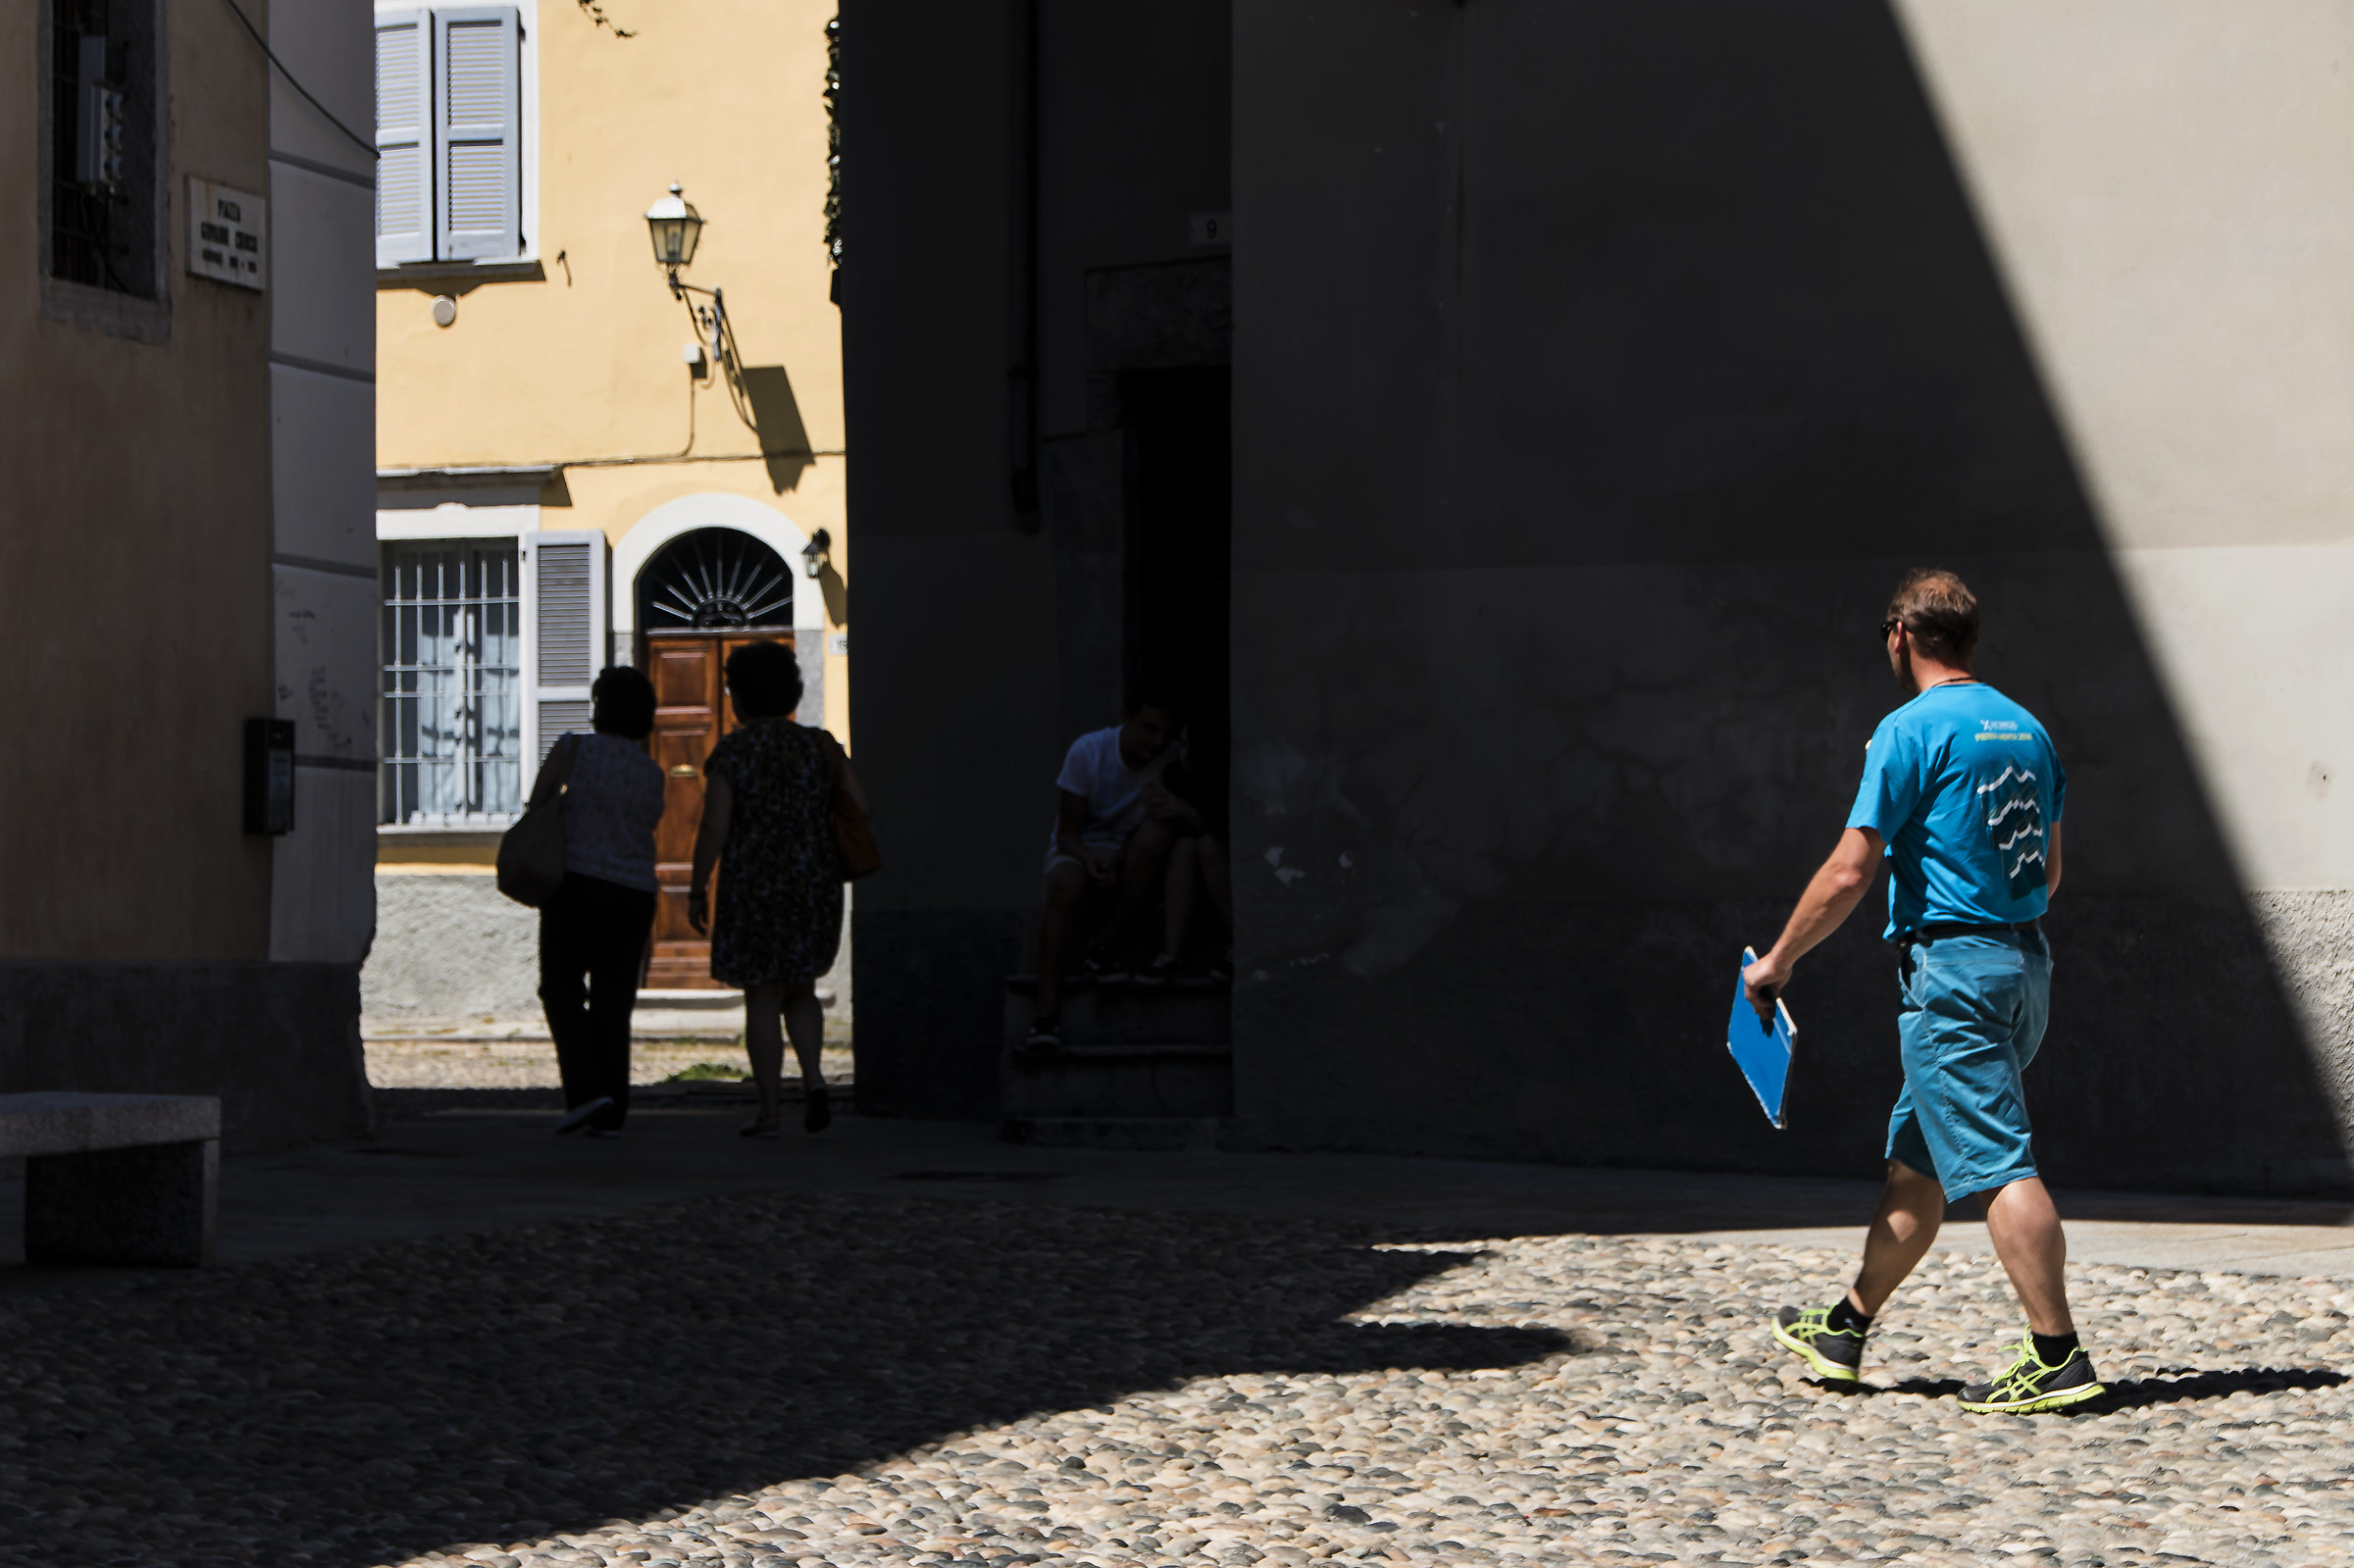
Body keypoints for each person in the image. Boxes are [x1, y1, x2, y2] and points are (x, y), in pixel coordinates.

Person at [1743, 568, 2102, 1415]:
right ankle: (1845, 1327)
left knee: (1999, 1161)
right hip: (2024, 967)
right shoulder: (2028, 729)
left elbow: (1850, 870)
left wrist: (1777, 962)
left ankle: (2057, 1355)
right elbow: (2047, 872)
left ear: (1901, 635)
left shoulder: (1907, 731)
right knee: (1919, 1166)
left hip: (1954, 978)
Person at [687, 640, 867, 1138]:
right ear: (793, 692)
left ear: (740, 697)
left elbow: (714, 827)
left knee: (762, 996)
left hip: (753, 887)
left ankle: (770, 1112)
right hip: (814, 884)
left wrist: (697, 887)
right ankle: (815, 1080)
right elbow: (863, 805)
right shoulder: (820, 746)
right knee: (801, 988)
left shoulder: (734, 752)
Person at [533, 666, 667, 1138]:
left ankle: (585, 1092)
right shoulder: (652, 773)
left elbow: (538, 803)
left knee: (561, 989)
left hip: (576, 885)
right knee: (614, 1001)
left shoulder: (573, 749)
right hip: (634, 893)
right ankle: (612, 1111)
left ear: (599, 706)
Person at [1023, 693, 1180, 1051]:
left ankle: (1100, 945)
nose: (1157, 742)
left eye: (1165, 733)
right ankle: (1045, 1014)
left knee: (1160, 834)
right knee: (1064, 885)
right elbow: (1067, 834)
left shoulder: (1170, 758)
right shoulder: (1089, 751)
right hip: (1079, 849)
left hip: (1129, 852)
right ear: (1127, 717)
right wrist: (1090, 859)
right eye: (1149, 729)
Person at [1134, 727, 1232, 987]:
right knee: (1185, 846)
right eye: (1184, 745)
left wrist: (1185, 812)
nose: (1186, 754)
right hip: (1187, 880)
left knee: (1207, 845)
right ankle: (1172, 955)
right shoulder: (1175, 774)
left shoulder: (1226, 776)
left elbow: (1222, 829)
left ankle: (1243, 942)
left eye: (1194, 746)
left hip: (1226, 875)